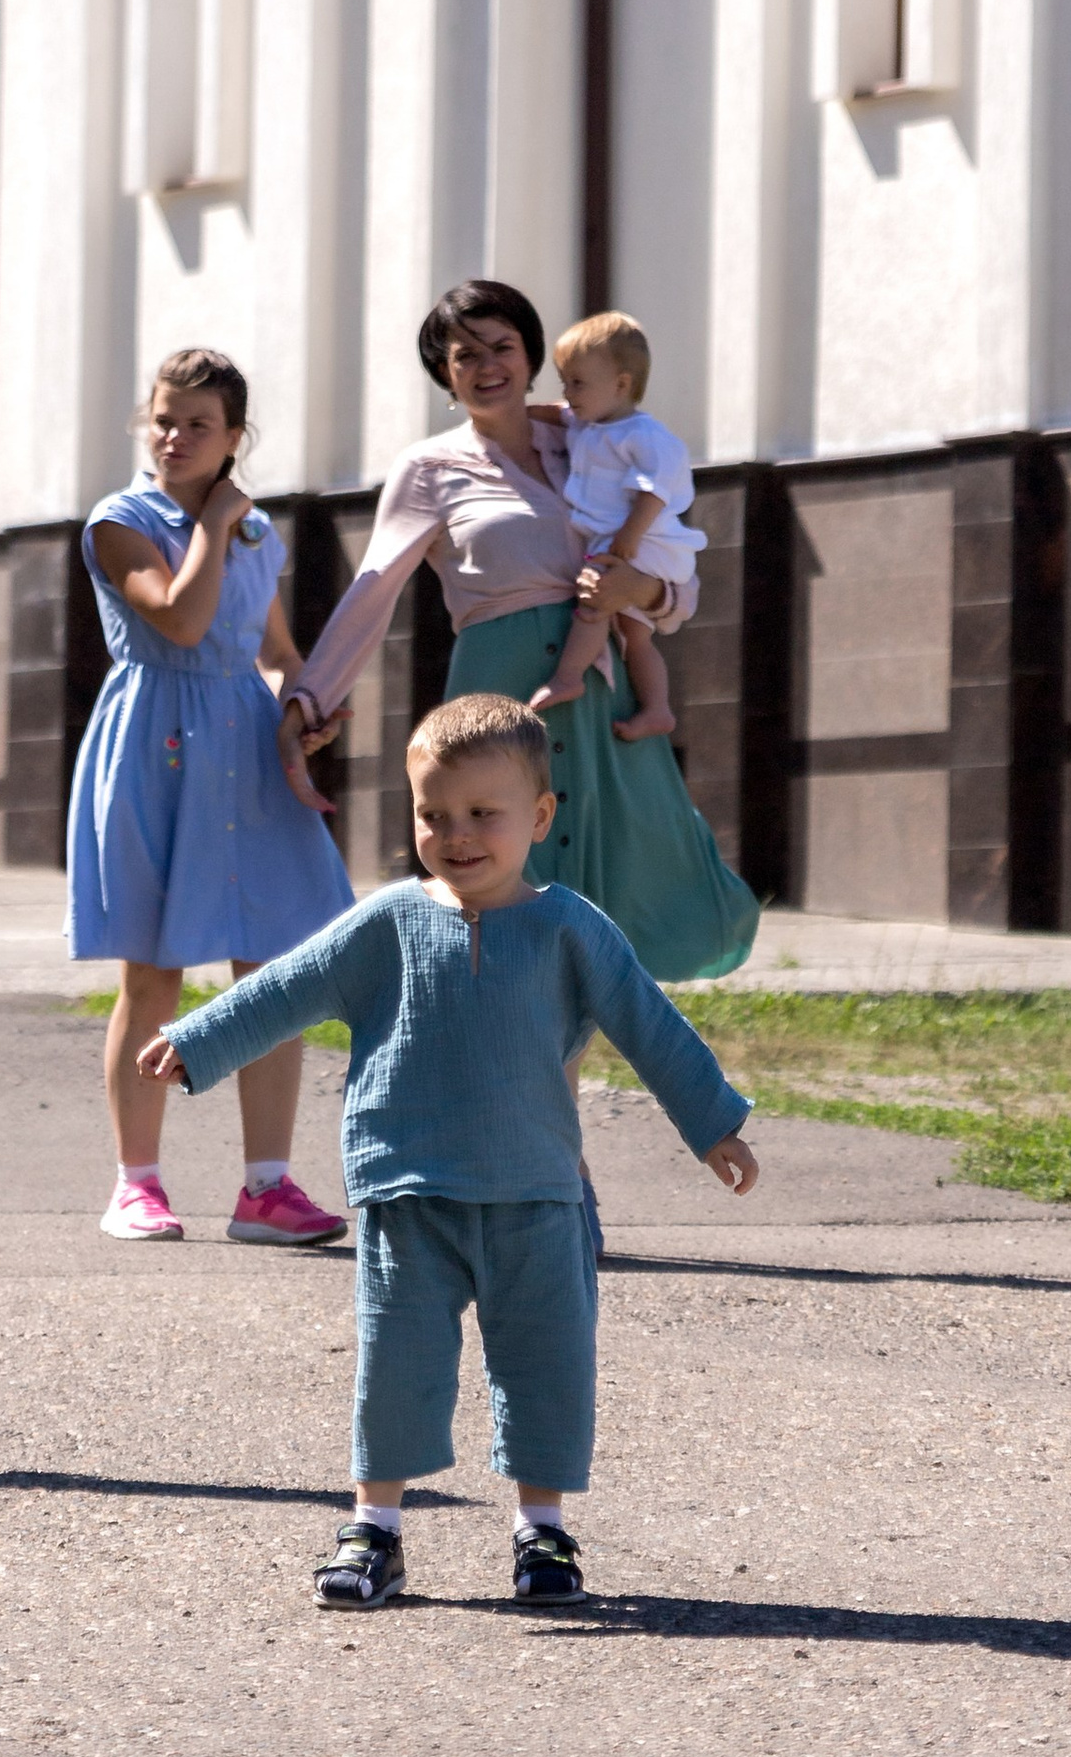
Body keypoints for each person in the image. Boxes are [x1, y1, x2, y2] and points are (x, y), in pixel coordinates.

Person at [144, 693, 758, 1607]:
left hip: (536, 1195)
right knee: (396, 1368)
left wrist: (713, 1124)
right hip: (408, 1193)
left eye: (482, 813)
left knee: (547, 1367)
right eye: (433, 815)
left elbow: (649, 1023)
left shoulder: (570, 927)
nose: (456, 835)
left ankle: (542, 1530)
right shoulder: (387, 922)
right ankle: (375, 1529)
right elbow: (288, 986)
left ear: (539, 817)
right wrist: (199, 1040)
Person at [278, 278, 759, 988]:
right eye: (464, 354)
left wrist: (643, 592)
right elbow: (372, 590)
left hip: (601, 693)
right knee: (503, 882)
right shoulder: (427, 468)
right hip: (500, 694)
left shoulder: (592, 439)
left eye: (501, 346)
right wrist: (310, 700)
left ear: (532, 356)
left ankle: (589, 1049)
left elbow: (673, 572)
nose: (486, 365)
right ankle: (500, 1046)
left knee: (639, 870)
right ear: (444, 375)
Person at [69, 347, 352, 1245]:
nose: (175, 436)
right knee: (152, 972)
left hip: (246, 751)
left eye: (198, 423)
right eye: (163, 419)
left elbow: (274, 650)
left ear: (234, 437)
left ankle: (266, 1188)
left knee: (272, 968)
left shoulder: (255, 530)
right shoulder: (119, 522)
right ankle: (136, 1185)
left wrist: (304, 708)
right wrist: (218, 523)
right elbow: (183, 620)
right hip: (155, 746)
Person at [527, 308, 702, 742]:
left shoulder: (643, 435)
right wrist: (520, 411)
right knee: (636, 636)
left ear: (621, 385)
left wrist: (627, 539)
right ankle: (658, 709)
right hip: (626, 541)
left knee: (594, 603)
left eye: (577, 383)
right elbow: (557, 413)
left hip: (644, 541)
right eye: (564, 381)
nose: (567, 394)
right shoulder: (588, 422)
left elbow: (653, 491)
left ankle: (568, 676)